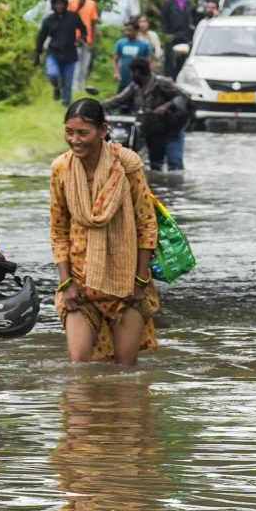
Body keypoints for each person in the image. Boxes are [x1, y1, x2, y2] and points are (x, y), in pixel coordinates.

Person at [48, 98, 161, 365]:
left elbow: (146, 224)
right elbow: (58, 228)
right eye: (69, 132)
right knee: (79, 368)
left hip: (126, 285)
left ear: (103, 130)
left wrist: (140, 283)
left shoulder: (126, 167)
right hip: (79, 283)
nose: (75, 140)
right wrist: (66, 284)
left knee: (125, 373)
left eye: (82, 133)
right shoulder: (61, 169)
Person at [109, 56, 192, 171]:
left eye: (131, 72)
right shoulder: (134, 87)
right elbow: (118, 99)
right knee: (155, 167)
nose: (131, 76)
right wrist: (97, 107)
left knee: (175, 165)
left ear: (137, 72)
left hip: (172, 129)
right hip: (153, 133)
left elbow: (185, 96)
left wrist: (166, 106)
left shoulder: (162, 83)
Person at [34, 0, 85, 106]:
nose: (59, 6)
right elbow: (41, 38)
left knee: (67, 84)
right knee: (53, 74)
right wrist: (37, 55)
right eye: (56, 4)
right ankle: (56, 88)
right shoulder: (48, 20)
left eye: (61, 3)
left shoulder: (73, 17)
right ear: (53, 5)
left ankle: (66, 105)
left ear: (65, 4)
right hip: (54, 54)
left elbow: (83, 29)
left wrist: (81, 39)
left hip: (70, 55)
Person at [69, 0, 102, 88]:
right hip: (74, 38)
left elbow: (93, 23)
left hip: (87, 39)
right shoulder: (70, 1)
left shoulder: (92, 4)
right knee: (76, 65)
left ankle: (81, 88)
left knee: (85, 66)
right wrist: (80, 5)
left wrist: (93, 41)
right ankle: (74, 88)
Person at [112, 14, 156, 84]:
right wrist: (116, 73)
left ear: (136, 31)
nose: (127, 33)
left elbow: (150, 62)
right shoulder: (120, 43)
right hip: (123, 78)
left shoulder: (144, 45)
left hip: (139, 80)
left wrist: (149, 76)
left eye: (130, 30)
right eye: (125, 30)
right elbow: (115, 60)